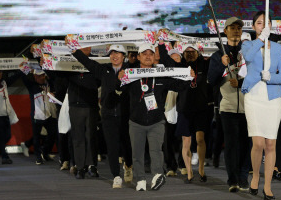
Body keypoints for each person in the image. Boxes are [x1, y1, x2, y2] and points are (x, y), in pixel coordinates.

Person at [119, 43, 192, 191]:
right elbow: (117, 87)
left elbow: (178, 86)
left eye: (150, 54)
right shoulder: (131, 73)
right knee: (137, 153)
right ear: (138, 57)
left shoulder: (161, 74)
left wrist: (189, 78)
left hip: (156, 121)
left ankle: (158, 175)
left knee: (156, 151)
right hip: (136, 121)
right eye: (144, 54)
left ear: (154, 57)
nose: (147, 56)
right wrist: (119, 77)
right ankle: (140, 179)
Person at [241, 11, 281, 200]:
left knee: (270, 144)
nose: (262, 25)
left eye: (266, 23)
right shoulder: (248, 44)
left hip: (272, 97)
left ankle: (267, 186)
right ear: (254, 26)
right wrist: (261, 39)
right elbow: (249, 57)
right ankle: (256, 175)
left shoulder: (277, 48)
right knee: (258, 143)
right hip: (253, 95)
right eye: (259, 23)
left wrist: (271, 78)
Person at [73, 44, 133, 188]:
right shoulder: (104, 70)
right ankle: (116, 176)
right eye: (112, 53)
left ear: (124, 56)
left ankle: (129, 166)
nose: (115, 55)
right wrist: (74, 49)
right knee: (112, 147)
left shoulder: (131, 70)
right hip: (108, 115)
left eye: (118, 53)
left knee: (127, 145)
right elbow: (87, 62)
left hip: (126, 115)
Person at [207, 16, 251, 192]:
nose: (236, 30)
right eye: (232, 28)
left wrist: (241, 83)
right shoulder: (218, 56)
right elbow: (211, 80)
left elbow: (257, 77)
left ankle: (243, 177)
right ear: (225, 31)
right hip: (228, 106)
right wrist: (221, 66)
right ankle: (232, 178)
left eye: (239, 28)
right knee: (231, 144)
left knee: (246, 144)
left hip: (249, 106)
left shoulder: (248, 53)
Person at [159, 42, 211, 183]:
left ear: (197, 52)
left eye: (192, 50)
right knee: (186, 142)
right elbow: (165, 60)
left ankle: (201, 169)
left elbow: (219, 59)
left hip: (200, 109)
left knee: (200, 139)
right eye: (186, 50)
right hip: (184, 109)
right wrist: (161, 43)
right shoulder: (179, 67)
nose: (189, 53)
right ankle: (189, 172)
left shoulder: (204, 65)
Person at [46, 47, 100, 179]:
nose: (84, 49)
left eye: (87, 46)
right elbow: (58, 75)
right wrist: (45, 63)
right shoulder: (69, 63)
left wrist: (82, 80)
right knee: (78, 138)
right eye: (81, 46)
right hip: (75, 105)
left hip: (91, 105)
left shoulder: (96, 62)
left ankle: (92, 166)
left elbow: (97, 82)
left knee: (91, 137)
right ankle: (80, 167)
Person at [20, 69, 59, 165]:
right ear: (35, 77)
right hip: (37, 115)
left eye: (43, 75)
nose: (41, 77)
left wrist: (44, 64)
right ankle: (38, 157)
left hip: (49, 114)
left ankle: (45, 153)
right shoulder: (31, 85)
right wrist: (24, 68)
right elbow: (23, 77)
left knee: (53, 134)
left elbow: (53, 76)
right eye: (39, 76)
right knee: (36, 137)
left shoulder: (49, 83)